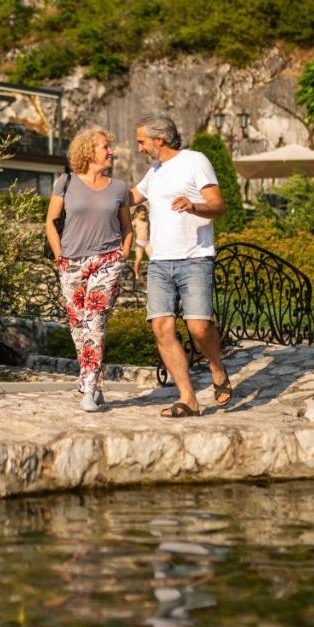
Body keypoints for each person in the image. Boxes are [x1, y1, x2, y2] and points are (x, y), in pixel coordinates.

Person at [130, 114, 230, 418]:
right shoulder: (155, 171)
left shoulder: (195, 160)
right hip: (159, 262)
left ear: (159, 140)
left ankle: (217, 368)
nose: (139, 148)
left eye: (141, 142)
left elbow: (219, 206)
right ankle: (188, 398)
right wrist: (91, 185)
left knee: (199, 327)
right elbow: (130, 197)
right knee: (161, 327)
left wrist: (194, 205)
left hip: (195, 257)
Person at [45, 127, 133, 413]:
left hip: (107, 262)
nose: (111, 151)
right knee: (79, 326)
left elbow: (127, 228)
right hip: (71, 262)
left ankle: (88, 389)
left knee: (95, 323)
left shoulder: (118, 187)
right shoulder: (66, 182)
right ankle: (95, 383)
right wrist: (60, 257)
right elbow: (51, 221)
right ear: (89, 151)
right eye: (105, 147)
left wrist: (122, 255)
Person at [131, 204, 151, 286]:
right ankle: (136, 272)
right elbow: (129, 228)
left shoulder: (147, 221)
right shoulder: (135, 221)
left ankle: (151, 273)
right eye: (142, 214)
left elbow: (150, 230)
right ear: (137, 213)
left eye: (145, 214)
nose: (144, 216)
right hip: (139, 242)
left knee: (153, 257)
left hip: (147, 242)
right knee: (139, 258)